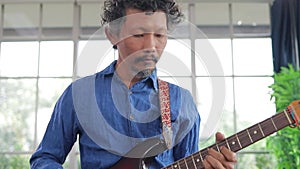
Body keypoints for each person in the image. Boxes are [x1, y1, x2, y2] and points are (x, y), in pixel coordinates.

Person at [30, 0, 237, 168]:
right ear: (112, 35)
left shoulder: (182, 101)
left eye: (160, 35)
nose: (151, 46)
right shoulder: (79, 94)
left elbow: (188, 162)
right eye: (139, 35)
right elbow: (44, 159)